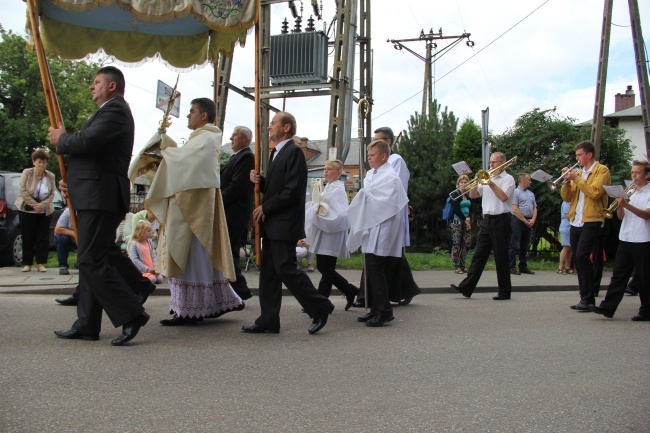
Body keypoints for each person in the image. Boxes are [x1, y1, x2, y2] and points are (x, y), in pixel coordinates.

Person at [49, 66, 150, 345]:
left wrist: (61, 140)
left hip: (100, 196)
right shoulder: (107, 111)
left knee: (89, 259)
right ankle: (87, 323)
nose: (92, 87)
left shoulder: (115, 110)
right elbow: (92, 155)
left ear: (112, 86)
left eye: (97, 82)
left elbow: (88, 142)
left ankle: (131, 313)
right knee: (97, 256)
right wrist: (71, 181)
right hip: (93, 193)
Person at [143, 98, 244, 326]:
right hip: (188, 206)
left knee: (193, 258)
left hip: (194, 209)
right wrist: (164, 147)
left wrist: (165, 152)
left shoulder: (208, 137)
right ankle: (205, 305)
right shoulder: (199, 138)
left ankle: (190, 311)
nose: (188, 115)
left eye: (192, 111)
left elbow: (185, 163)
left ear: (204, 115)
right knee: (195, 259)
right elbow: (182, 161)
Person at [244, 111, 335, 334]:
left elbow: (292, 191)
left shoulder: (293, 152)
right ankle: (268, 320)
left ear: (286, 128)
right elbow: (277, 188)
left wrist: (266, 206)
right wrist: (261, 182)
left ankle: (320, 306)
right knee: (269, 273)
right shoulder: (276, 153)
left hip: (284, 223)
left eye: (273, 123)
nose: (268, 127)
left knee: (285, 269)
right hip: (274, 223)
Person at [353, 127, 420, 307]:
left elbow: (388, 189)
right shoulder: (374, 170)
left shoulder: (394, 161)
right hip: (375, 215)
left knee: (381, 260)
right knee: (380, 259)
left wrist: (365, 196)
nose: (370, 155)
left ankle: (377, 304)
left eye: (377, 140)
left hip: (387, 213)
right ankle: (376, 300)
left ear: (387, 143)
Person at [347, 140, 409, 326]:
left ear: (383, 156)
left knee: (376, 265)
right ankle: (374, 308)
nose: (368, 159)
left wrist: (364, 198)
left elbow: (388, 202)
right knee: (370, 264)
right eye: (368, 156)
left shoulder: (390, 177)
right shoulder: (372, 174)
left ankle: (384, 311)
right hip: (372, 223)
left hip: (383, 224)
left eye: (372, 155)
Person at [451, 152, 516, 300]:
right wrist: (475, 182)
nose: (490, 165)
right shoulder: (487, 177)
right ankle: (466, 288)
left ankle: (504, 291)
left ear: (502, 163)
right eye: (490, 162)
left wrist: (490, 182)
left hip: (502, 219)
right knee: (479, 255)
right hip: (487, 220)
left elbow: (503, 197)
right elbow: (473, 195)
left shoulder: (508, 179)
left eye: (494, 162)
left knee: (501, 257)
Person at [590, 160, 650, 321]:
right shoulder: (631, 192)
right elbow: (620, 216)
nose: (634, 176)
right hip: (626, 237)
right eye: (632, 172)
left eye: (637, 172)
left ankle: (646, 311)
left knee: (644, 278)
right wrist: (620, 206)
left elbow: (646, 215)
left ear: (647, 174)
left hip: (644, 239)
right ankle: (607, 308)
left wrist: (626, 204)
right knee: (618, 276)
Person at [560, 140, 611, 312]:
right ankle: (585, 297)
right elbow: (567, 198)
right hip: (576, 220)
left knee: (582, 256)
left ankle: (589, 297)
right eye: (576, 155)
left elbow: (595, 192)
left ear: (589, 155)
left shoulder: (601, 170)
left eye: (579, 155)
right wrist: (567, 182)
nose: (577, 158)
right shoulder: (579, 173)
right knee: (578, 259)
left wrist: (576, 178)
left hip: (592, 219)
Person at [305, 159, 358, 310]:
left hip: (332, 233)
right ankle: (349, 290)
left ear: (338, 172)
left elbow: (341, 214)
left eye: (329, 169)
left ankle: (321, 302)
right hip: (325, 231)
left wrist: (320, 208)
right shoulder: (328, 187)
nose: (326, 172)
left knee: (326, 268)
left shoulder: (338, 190)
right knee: (323, 267)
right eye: (325, 169)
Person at [220, 126, 255, 300]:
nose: (231, 137)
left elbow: (237, 187)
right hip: (231, 213)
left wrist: (217, 201)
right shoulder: (237, 157)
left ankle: (240, 290)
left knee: (229, 253)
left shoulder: (246, 157)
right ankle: (239, 291)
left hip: (234, 214)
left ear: (244, 138)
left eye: (234, 135)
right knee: (229, 253)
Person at [15, 149, 56, 273]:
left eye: (44, 162)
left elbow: (52, 193)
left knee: (42, 238)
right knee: (28, 236)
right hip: (27, 210)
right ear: (34, 162)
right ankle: (27, 263)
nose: (41, 165)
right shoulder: (27, 173)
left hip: (44, 211)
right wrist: (34, 205)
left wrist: (42, 205)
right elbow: (22, 190)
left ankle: (41, 263)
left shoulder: (50, 176)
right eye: (39, 162)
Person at [509, 172, 537, 275]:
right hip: (518, 220)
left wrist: (533, 219)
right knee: (515, 243)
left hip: (529, 219)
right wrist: (524, 220)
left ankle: (523, 265)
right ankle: (511, 266)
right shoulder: (515, 192)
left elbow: (535, 207)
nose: (530, 181)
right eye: (529, 179)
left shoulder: (531, 193)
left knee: (525, 244)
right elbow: (515, 208)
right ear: (523, 180)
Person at [128, 220, 163, 284]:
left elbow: (153, 255)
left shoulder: (149, 242)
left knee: (160, 279)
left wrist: (155, 267)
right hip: (142, 270)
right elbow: (134, 260)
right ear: (141, 232)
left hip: (151, 268)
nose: (151, 233)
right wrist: (148, 269)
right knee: (153, 279)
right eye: (148, 231)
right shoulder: (134, 244)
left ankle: (150, 276)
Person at [450, 174, 472, 274]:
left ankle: (463, 264)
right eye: (461, 182)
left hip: (466, 221)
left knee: (466, 243)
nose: (463, 184)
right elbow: (456, 209)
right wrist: (464, 219)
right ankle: (456, 265)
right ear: (458, 184)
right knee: (457, 243)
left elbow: (471, 207)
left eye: (465, 182)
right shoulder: (455, 194)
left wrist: (469, 218)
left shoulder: (468, 194)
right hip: (457, 221)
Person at [54, 207, 76, 275]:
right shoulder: (68, 211)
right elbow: (57, 229)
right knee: (62, 238)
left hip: (83, 237)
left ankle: (82, 263)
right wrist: (74, 234)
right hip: (69, 237)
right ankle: (63, 266)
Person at [557, 200, 574, 274]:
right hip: (566, 227)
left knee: (570, 248)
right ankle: (560, 267)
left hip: (571, 226)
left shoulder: (573, 202)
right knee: (566, 247)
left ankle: (567, 267)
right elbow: (568, 215)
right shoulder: (566, 202)